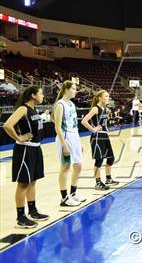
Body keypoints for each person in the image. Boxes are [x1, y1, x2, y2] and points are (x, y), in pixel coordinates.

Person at [4, 86, 49, 228]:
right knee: (23, 183)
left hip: (35, 149)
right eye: (41, 93)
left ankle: (33, 211)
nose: (43, 96)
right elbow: (7, 125)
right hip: (24, 149)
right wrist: (19, 137)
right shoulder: (23, 109)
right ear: (33, 95)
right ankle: (20, 217)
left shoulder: (34, 109)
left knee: (32, 181)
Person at [52, 81, 85, 207]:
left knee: (78, 166)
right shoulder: (60, 105)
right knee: (65, 167)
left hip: (74, 137)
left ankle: (73, 193)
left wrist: (79, 142)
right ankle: (64, 198)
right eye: (74, 88)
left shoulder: (71, 104)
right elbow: (57, 127)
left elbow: (74, 126)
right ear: (66, 89)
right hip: (65, 138)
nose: (76, 91)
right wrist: (64, 144)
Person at [82, 90, 119, 191]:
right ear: (100, 98)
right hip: (97, 136)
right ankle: (98, 183)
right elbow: (84, 121)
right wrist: (93, 129)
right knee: (99, 160)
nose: (108, 98)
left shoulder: (105, 108)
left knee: (111, 158)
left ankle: (108, 179)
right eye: (106, 96)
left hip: (105, 136)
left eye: (108, 96)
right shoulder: (95, 109)